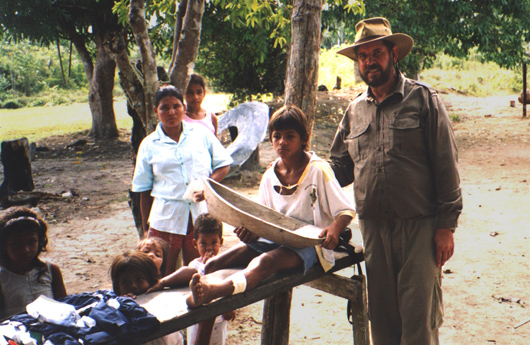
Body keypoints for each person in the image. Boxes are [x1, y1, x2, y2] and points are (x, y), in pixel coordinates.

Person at [329, 17, 463, 345]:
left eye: (377, 52)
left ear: (393, 54)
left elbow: (446, 163)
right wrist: (297, 176)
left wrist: (446, 226)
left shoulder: (423, 99)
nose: (369, 61)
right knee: (384, 323)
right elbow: (336, 170)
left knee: (419, 322)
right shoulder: (354, 111)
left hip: (419, 227)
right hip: (374, 230)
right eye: (363, 56)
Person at [186, 105, 356, 310]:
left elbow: (346, 210)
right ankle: (171, 285)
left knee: (265, 262)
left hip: (311, 247)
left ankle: (214, 292)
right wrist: (250, 234)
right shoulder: (269, 175)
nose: (282, 142)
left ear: (304, 138)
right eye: (277, 136)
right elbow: (263, 219)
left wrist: (335, 229)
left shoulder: (318, 170)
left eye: (289, 136)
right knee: (217, 262)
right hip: (274, 239)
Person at [132, 85, 233, 276]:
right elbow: (143, 190)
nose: (171, 112)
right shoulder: (148, 144)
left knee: (201, 271)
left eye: (176, 106)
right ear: (156, 111)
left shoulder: (201, 134)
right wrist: (146, 227)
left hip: (201, 217)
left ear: (183, 108)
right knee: (162, 275)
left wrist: (207, 187)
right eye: (164, 107)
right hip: (165, 219)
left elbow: (223, 164)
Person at [146, 213, 235, 345]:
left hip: (219, 318)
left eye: (214, 242)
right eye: (203, 243)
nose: (209, 247)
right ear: (195, 244)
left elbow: (230, 287)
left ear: (221, 242)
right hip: (197, 317)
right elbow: (191, 289)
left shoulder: (225, 264)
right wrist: (206, 266)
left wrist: (231, 306)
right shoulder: (194, 265)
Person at [0, 206, 67, 319]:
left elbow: (65, 309)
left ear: (40, 241)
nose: (26, 250)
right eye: (16, 244)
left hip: (53, 333)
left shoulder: (51, 271)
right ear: (3, 245)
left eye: (32, 242)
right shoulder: (2, 278)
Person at [110, 250, 184, 345]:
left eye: (139, 279)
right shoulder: (115, 307)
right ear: (118, 289)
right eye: (126, 282)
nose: (133, 286)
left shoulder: (158, 296)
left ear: (151, 281)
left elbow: (190, 271)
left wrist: (162, 283)